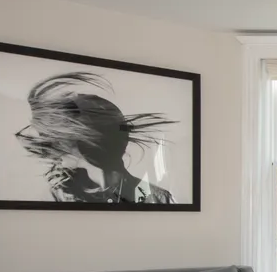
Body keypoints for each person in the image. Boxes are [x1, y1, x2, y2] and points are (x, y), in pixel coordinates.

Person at [14, 71, 176, 203]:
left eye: (56, 139)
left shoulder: (154, 197)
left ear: (87, 141)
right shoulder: (57, 197)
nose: (50, 148)